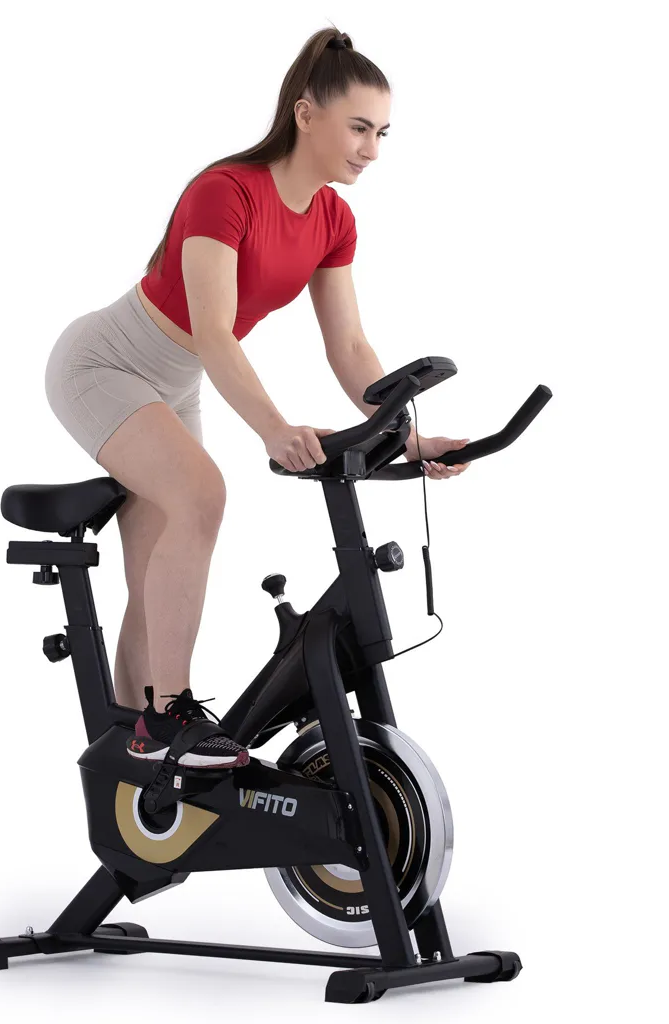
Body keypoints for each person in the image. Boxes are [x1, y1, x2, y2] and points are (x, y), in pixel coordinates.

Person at [43, 27, 470, 771]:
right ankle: (170, 717)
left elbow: (350, 349)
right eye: (359, 128)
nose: (371, 149)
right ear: (306, 114)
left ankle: (136, 757)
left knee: (153, 582)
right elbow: (213, 331)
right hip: (104, 365)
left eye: (382, 133)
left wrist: (406, 437)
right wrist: (273, 428)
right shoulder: (226, 192)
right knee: (201, 494)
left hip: (175, 382)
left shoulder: (334, 220)